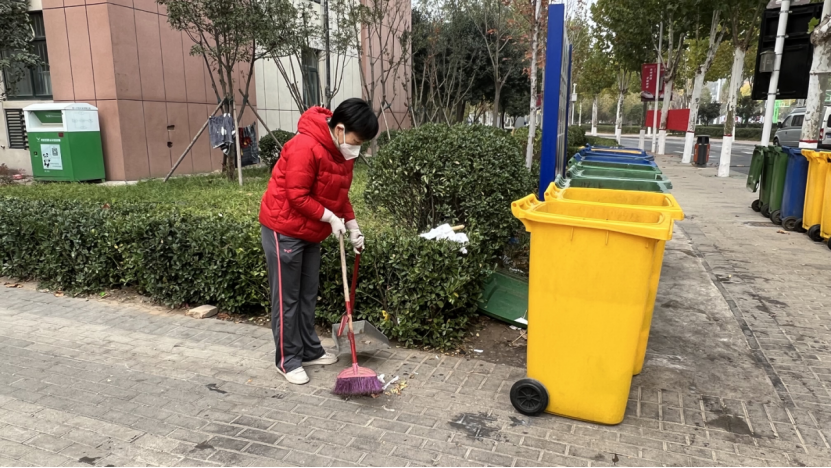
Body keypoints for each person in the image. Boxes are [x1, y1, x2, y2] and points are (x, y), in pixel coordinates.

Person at [259, 99, 378, 385]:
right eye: (356, 141)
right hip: (284, 228)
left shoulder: (341, 153)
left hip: (312, 230)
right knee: (287, 299)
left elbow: (339, 194)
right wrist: (330, 217)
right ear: (340, 129)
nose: (357, 148)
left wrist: (352, 226)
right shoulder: (305, 146)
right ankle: (288, 360)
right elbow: (296, 195)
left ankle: (310, 350)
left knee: (307, 294)